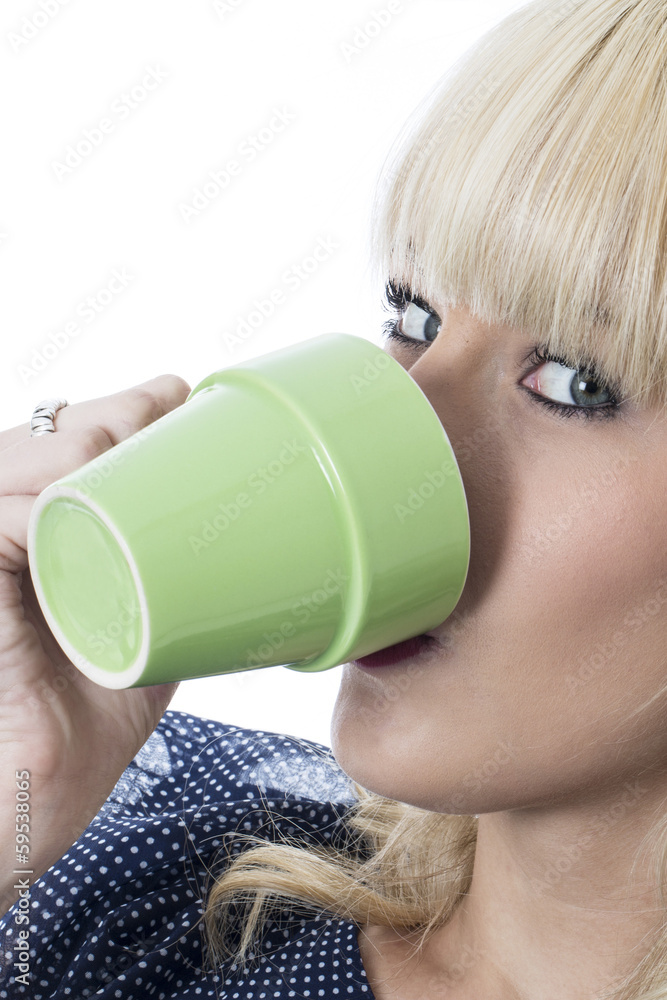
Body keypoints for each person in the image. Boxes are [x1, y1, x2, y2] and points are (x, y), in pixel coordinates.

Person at [3, 0, 667, 996]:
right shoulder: (130, 876)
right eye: (414, 314)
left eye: (574, 380)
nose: (398, 432)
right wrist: (19, 799)